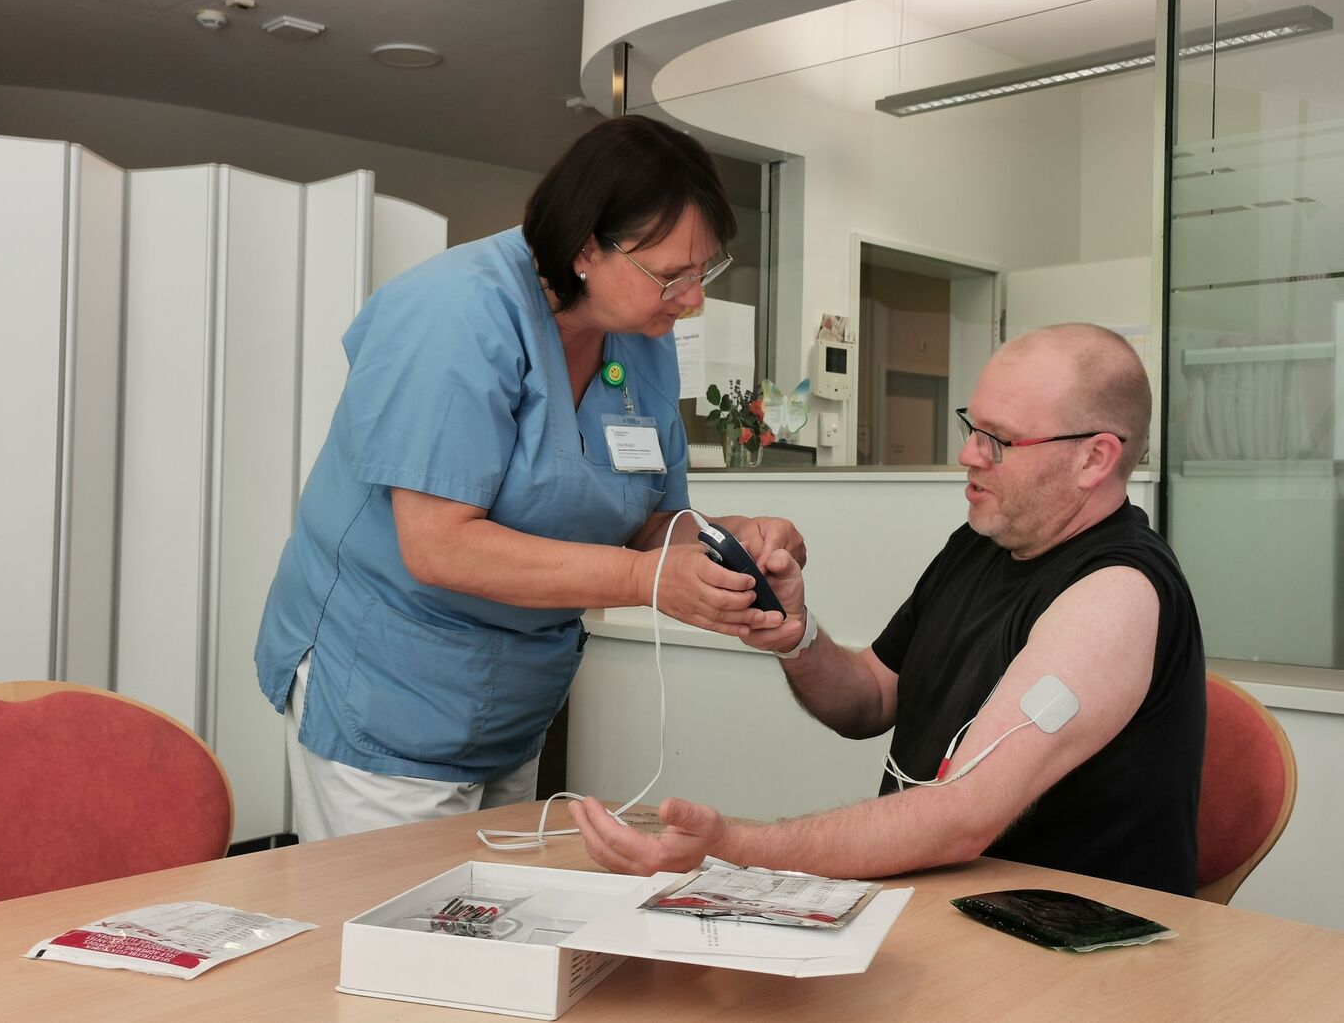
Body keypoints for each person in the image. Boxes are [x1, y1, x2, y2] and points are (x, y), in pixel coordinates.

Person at [255, 115, 804, 842]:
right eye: (670, 276)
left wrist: (719, 541)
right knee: (396, 936)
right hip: (391, 684)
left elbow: (644, 518)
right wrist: (647, 580)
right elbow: (439, 547)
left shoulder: (640, 337)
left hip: (511, 701)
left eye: (703, 271)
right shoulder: (454, 312)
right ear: (584, 248)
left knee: (488, 926)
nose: (692, 299)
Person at [572, 323, 1207, 895]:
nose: (969, 455)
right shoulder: (981, 544)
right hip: (939, 906)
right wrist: (797, 637)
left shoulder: (1116, 592)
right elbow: (871, 699)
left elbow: (959, 817)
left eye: (1000, 441)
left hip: (1063, 950)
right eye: (972, 427)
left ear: (1094, 457)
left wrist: (733, 850)